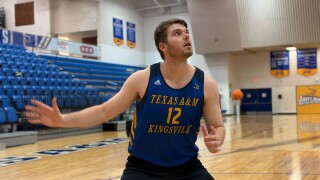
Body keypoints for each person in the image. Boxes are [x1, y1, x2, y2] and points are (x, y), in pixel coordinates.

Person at [25, 18, 225, 180]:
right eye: (177, 33)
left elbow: (218, 126)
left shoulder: (206, 84)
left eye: (186, 32)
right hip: (143, 169)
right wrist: (62, 120)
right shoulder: (143, 78)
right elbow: (104, 111)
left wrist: (217, 140)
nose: (186, 36)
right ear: (162, 46)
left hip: (187, 168)